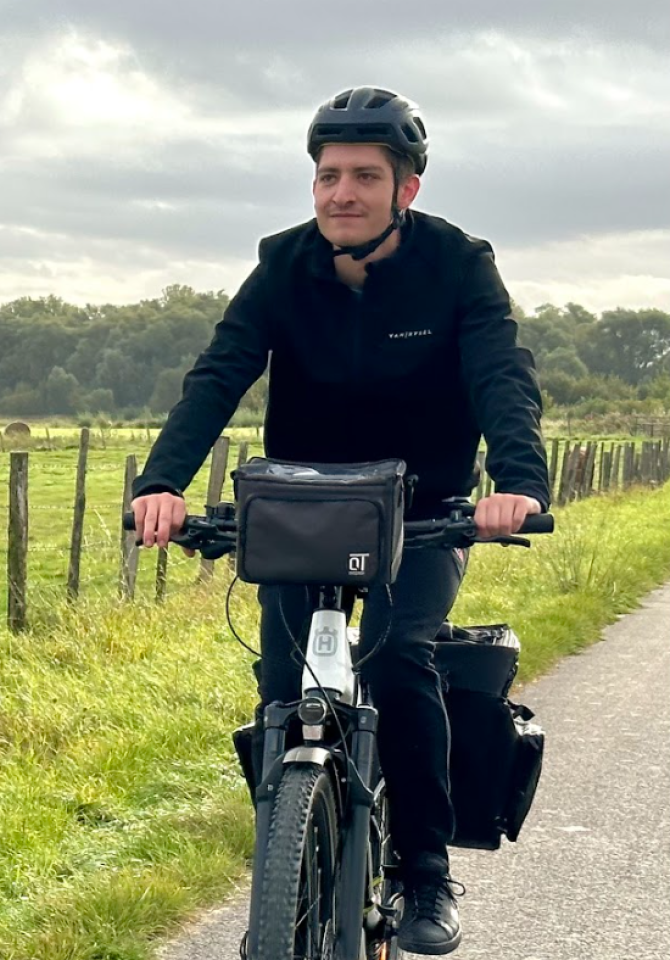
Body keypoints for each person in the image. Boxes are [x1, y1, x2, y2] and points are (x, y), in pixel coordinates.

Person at [129, 85, 550, 956]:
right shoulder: (283, 265)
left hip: (424, 511)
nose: (341, 194)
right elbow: (218, 375)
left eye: (364, 176)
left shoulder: (458, 266)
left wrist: (517, 482)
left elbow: (502, 376)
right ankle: (286, 866)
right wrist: (161, 482)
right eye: (326, 176)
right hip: (300, 506)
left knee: (400, 661)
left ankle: (426, 873)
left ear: (408, 189)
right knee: (284, 685)